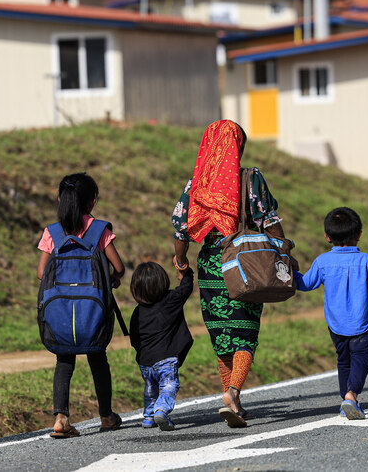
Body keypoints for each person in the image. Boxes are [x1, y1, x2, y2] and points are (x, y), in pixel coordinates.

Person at [172, 119, 287, 428]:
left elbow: (181, 229)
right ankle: (233, 392)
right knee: (245, 332)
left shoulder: (197, 183)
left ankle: (232, 400)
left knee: (222, 334)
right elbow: (268, 220)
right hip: (243, 262)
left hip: (209, 264)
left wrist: (181, 261)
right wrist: (284, 249)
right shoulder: (251, 178)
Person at [37, 173, 125, 438]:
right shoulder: (100, 230)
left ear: (60, 200)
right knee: (98, 357)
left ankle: (61, 418)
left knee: (64, 360)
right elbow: (118, 267)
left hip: (60, 311)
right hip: (93, 311)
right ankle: (106, 415)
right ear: (93, 201)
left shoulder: (52, 232)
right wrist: (111, 280)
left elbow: (42, 273)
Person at [294, 206, 368, 421]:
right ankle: (351, 396)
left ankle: (346, 401)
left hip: (335, 325)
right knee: (361, 359)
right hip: (360, 324)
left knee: (344, 361)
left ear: (327, 236)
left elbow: (305, 284)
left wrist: (287, 272)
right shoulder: (366, 260)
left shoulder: (323, 261)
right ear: (359, 234)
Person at [129, 261, 194, 431]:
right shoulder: (170, 300)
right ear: (162, 282)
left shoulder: (137, 311)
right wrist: (186, 273)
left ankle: (149, 417)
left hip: (145, 361)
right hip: (166, 358)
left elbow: (134, 338)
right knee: (168, 385)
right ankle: (162, 410)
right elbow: (186, 288)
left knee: (150, 389)